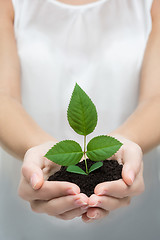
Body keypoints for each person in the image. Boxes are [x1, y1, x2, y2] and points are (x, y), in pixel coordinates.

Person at [0, 0, 160, 239]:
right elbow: (4, 96)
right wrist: (40, 151)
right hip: (24, 189)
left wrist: (126, 141)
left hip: (135, 198)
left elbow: (156, 97)